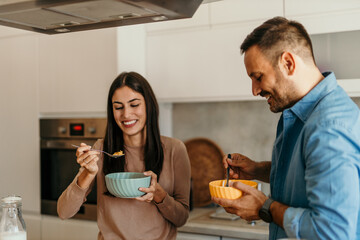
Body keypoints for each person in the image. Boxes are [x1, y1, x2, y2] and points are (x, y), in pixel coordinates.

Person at [212, 16, 360, 240]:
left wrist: (265, 207)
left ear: (288, 63)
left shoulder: (328, 127)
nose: (254, 90)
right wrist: (256, 169)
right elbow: (306, 173)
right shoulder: (302, 113)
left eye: (258, 77)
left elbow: (332, 232)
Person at [57, 72, 191, 240]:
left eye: (134, 105)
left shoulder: (175, 150)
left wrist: (159, 195)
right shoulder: (101, 149)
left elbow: (181, 218)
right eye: (119, 107)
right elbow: (64, 212)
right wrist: (87, 173)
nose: (126, 114)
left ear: (149, 105)